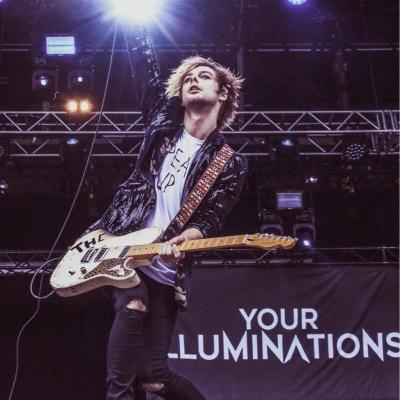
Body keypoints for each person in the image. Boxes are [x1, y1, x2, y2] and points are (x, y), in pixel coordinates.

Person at [90, 26, 248, 400]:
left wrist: (187, 239)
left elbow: (210, 218)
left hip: (165, 269)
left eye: (203, 76)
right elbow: (144, 70)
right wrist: (137, 27)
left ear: (222, 93)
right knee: (133, 301)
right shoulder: (162, 123)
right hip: (121, 246)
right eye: (188, 77)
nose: (193, 80)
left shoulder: (230, 162)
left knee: (154, 378)